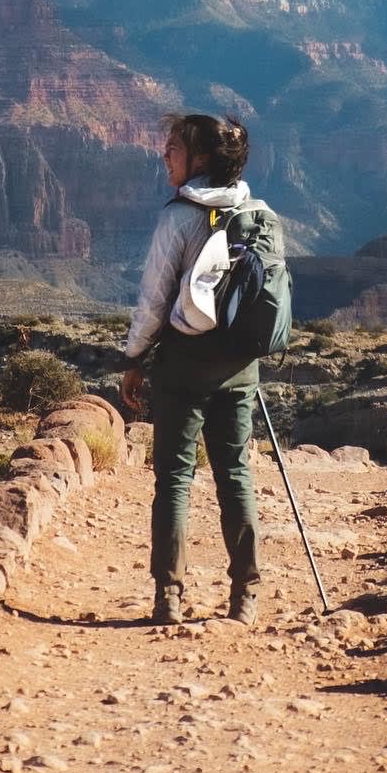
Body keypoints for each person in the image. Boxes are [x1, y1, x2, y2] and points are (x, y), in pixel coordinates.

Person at [121, 113, 262, 627]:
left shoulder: (178, 218)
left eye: (174, 147)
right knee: (236, 476)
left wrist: (133, 359)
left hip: (183, 367)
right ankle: (245, 595)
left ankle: (169, 597)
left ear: (200, 158)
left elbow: (153, 302)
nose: (164, 154)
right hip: (240, 368)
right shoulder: (256, 212)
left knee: (175, 480)